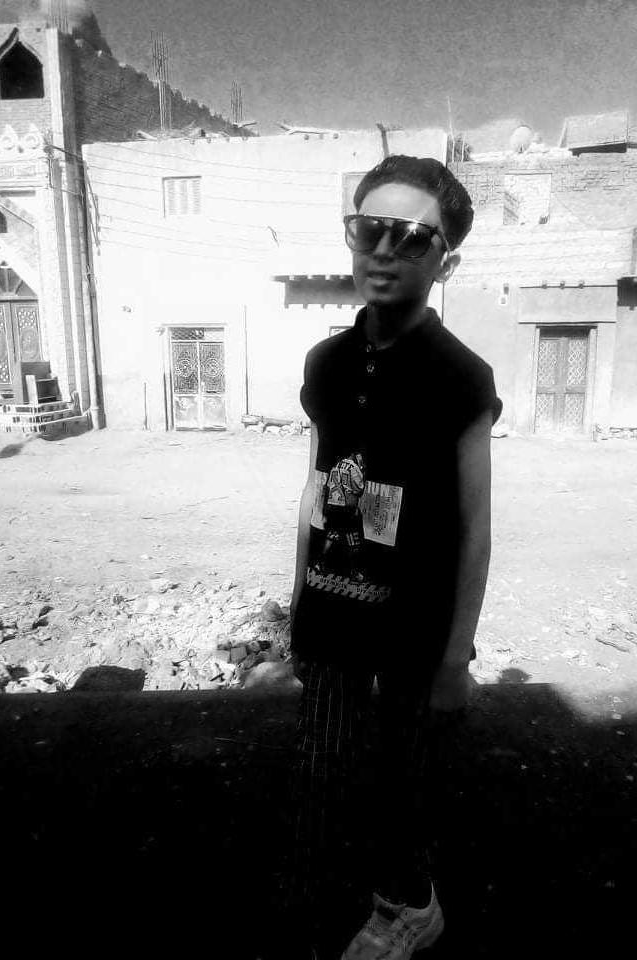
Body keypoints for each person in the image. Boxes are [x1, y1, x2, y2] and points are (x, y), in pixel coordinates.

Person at [287, 155, 502, 960]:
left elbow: (475, 528)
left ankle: (410, 907)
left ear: (446, 260)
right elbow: (315, 491)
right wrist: (298, 609)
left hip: (413, 632)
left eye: (410, 237)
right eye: (368, 229)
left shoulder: (460, 377)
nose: (383, 251)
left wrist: (455, 658)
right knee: (328, 766)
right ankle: (347, 890)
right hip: (331, 616)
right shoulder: (326, 364)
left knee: (403, 776)